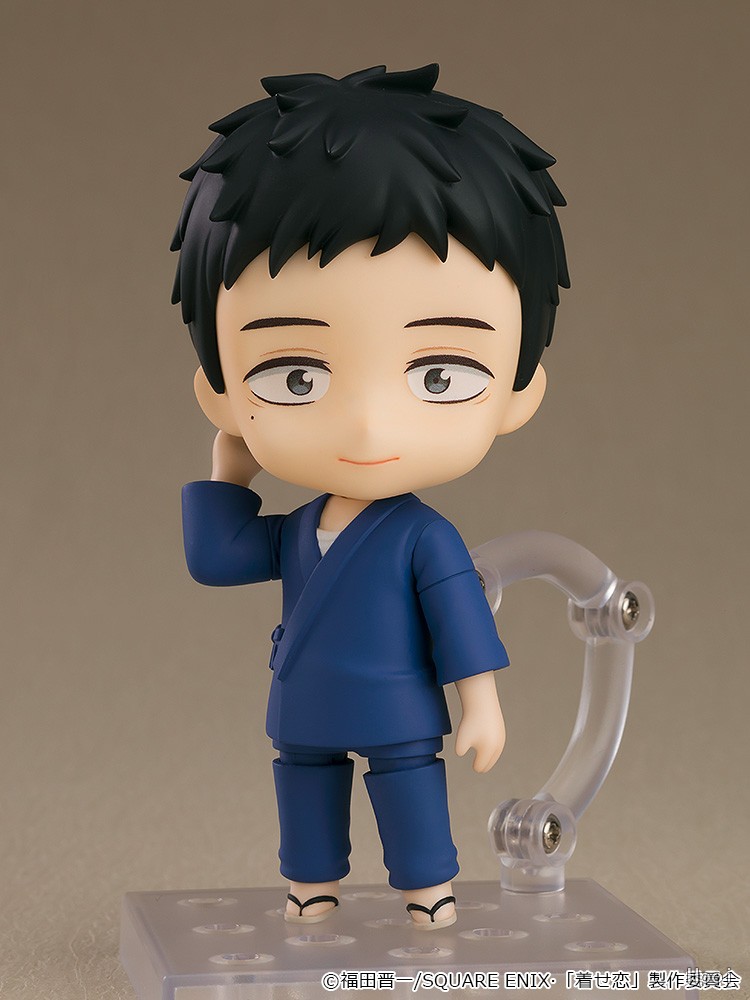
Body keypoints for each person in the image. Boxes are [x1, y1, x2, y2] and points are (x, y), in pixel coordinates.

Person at [173, 63, 568, 929]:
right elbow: (218, 559)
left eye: (439, 374)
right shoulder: (296, 529)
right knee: (305, 789)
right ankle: (310, 885)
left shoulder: (424, 538)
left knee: (408, 788)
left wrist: (481, 703)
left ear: (517, 392)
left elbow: (461, 623)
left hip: (397, 706)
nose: (365, 423)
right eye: (296, 376)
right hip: (304, 701)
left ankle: (427, 889)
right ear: (221, 392)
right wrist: (228, 476)